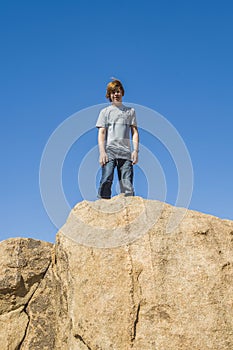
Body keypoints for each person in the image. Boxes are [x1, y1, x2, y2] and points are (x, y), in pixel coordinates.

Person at [96, 79, 139, 199]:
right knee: (106, 179)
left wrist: (135, 151)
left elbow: (134, 132)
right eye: (113, 92)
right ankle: (103, 205)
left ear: (122, 93)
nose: (116, 94)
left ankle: (129, 209)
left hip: (125, 152)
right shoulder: (105, 112)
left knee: (127, 184)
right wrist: (102, 152)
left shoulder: (130, 111)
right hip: (110, 151)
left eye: (118, 91)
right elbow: (102, 132)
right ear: (109, 95)